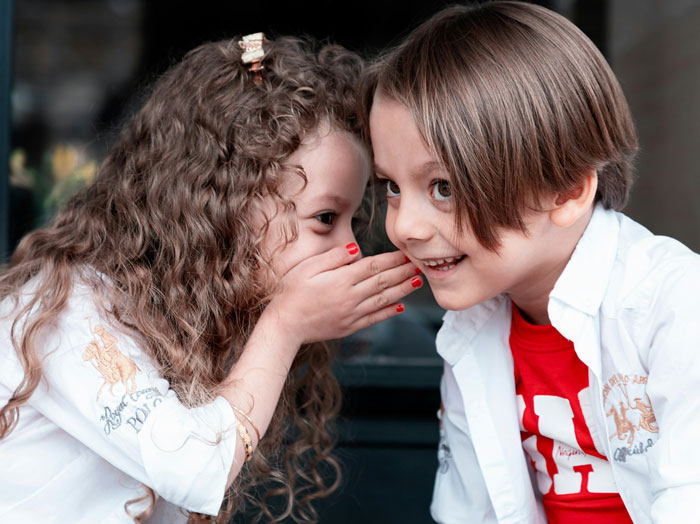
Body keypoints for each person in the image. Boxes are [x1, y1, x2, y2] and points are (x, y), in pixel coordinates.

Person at [0, 33, 422, 524]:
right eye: (326, 219)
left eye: (355, 223)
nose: (351, 251)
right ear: (227, 206)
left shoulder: (182, 315)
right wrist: (284, 325)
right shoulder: (66, 309)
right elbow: (193, 467)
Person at [361, 2, 700, 523]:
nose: (405, 226)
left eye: (443, 187)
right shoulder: (472, 332)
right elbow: (469, 514)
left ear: (567, 189)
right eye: (392, 186)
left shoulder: (674, 307)